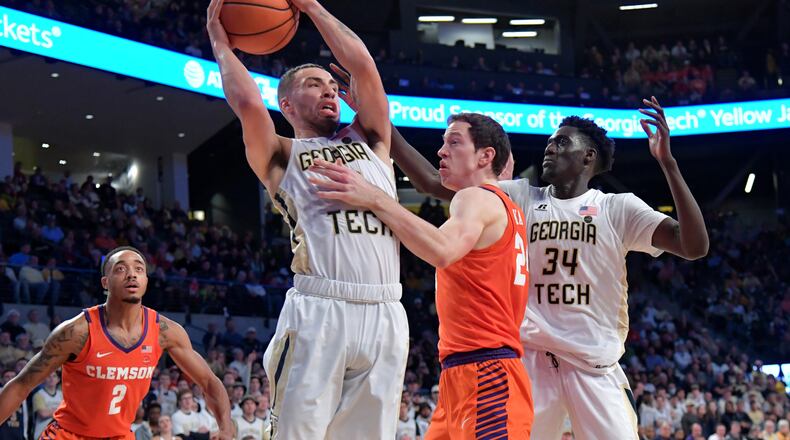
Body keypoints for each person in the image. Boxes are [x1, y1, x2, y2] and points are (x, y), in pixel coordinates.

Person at [385, 97, 708, 440]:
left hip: (593, 364)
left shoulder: (617, 207)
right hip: (531, 361)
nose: (550, 148)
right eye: (550, 142)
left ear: (589, 157)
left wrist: (669, 164)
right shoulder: (519, 196)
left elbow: (693, 246)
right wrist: (381, 122)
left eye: (562, 142)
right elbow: (434, 182)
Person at [206, 0, 408, 436]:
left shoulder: (372, 139)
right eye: (314, 85)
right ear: (288, 104)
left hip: (387, 310)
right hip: (320, 309)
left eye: (332, 86)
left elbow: (364, 67)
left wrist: (312, 7)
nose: (330, 90)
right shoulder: (280, 154)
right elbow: (246, 103)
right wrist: (221, 42)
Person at [309, 112, 533, 438]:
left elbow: (442, 249)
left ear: (486, 156)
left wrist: (375, 198)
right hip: (465, 372)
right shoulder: (503, 204)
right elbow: (429, 182)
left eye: (454, 142)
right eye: (443, 143)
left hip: (487, 374)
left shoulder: (478, 197)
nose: (441, 151)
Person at [0, 246, 234, 439]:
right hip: (69, 435)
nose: (131, 274)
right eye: (121, 269)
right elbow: (21, 385)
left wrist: (226, 427)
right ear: (105, 282)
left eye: (139, 269)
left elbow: (209, 381)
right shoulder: (76, 331)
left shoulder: (166, 332)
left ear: (145, 280)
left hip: (119, 435)